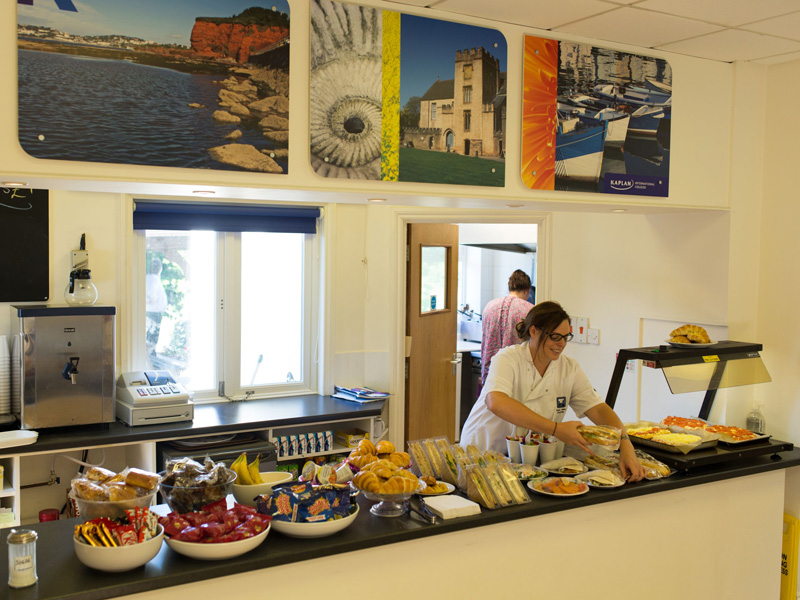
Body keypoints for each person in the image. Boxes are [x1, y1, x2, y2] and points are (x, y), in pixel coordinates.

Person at [461, 301, 646, 482]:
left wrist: (625, 444)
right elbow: (496, 402)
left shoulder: (568, 368)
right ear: (533, 331)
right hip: (484, 452)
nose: (562, 344)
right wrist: (557, 429)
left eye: (566, 337)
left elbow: (597, 408)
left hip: (524, 461)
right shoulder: (507, 359)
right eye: (555, 337)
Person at [480, 269, 534, 385]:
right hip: (516, 373)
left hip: (491, 372)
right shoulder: (530, 310)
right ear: (526, 290)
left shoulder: (490, 306)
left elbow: (484, 339)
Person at [145, 257, 168, 359]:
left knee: (151, 331)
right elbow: (152, 294)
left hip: (151, 310)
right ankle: (149, 353)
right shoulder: (153, 278)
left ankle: (149, 352)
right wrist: (151, 300)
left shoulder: (148, 277)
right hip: (153, 310)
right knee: (153, 332)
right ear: (159, 268)